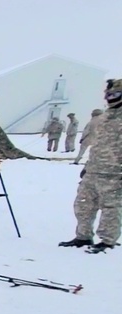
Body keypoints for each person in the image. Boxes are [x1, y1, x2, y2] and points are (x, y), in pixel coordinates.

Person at [58, 79, 122, 253]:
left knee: (110, 208)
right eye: (108, 95)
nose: (111, 98)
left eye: (115, 95)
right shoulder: (105, 117)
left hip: (115, 174)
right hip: (94, 170)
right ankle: (83, 236)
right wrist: (87, 165)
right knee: (83, 204)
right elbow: (98, 145)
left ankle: (107, 241)